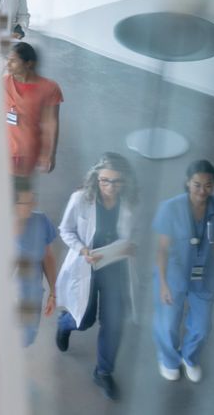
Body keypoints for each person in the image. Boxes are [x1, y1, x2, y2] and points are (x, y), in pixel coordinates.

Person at [54, 152, 138, 401]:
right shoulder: (81, 199)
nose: (110, 187)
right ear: (96, 178)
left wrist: (133, 245)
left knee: (113, 324)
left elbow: (137, 232)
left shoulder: (131, 203)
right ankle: (65, 324)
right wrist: (83, 250)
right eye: (105, 181)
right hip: (87, 267)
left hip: (116, 268)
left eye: (116, 181)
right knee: (84, 320)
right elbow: (65, 230)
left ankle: (103, 372)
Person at [152, 160, 214, 383]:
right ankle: (168, 360)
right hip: (173, 274)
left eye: (208, 185)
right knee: (167, 323)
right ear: (188, 183)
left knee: (202, 325)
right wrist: (163, 284)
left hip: (204, 275)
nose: (202, 190)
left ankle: (190, 357)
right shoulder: (171, 208)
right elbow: (162, 249)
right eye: (197, 184)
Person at [4, 42, 62, 176]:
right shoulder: (2, 83)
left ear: (28, 64)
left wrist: (49, 154)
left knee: (22, 190)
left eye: (13, 61)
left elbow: (51, 123)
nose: (8, 64)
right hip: (4, 150)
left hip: (29, 151)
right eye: (8, 60)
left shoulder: (49, 88)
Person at [13, 177, 57, 347]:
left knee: (28, 338)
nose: (32, 205)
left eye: (33, 199)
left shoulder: (41, 221)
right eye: (26, 202)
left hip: (33, 296)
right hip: (12, 296)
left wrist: (53, 292)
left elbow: (48, 257)